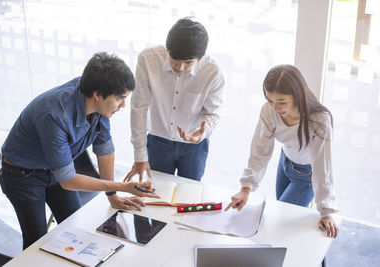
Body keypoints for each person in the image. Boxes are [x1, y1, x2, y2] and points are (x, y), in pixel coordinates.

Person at [0, 52, 159, 249]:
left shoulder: (99, 103)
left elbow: (104, 150)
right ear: (98, 94)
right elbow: (67, 180)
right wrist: (123, 187)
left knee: (74, 227)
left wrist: (113, 196)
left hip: (54, 169)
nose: (124, 105)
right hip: (22, 175)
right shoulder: (54, 114)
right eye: (120, 98)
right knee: (36, 240)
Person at [225, 64, 339, 238]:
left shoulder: (319, 120)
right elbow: (260, 151)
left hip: (306, 176)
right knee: (284, 221)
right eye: (270, 100)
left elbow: (323, 166)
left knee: (279, 225)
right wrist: (246, 188)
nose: (276, 108)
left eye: (281, 102)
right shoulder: (269, 111)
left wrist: (326, 211)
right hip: (285, 163)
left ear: (298, 96)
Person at [125, 17, 225, 182]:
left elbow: (213, 114)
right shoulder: (148, 59)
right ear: (168, 48)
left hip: (194, 147)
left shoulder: (213, 72)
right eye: (175, 60)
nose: (180, 67)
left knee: (190, 194)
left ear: (200, 58)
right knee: (157, 192)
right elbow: (138, 108)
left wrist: (201, 134)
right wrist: (139, 155)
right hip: (158, 142)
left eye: (188, 63)